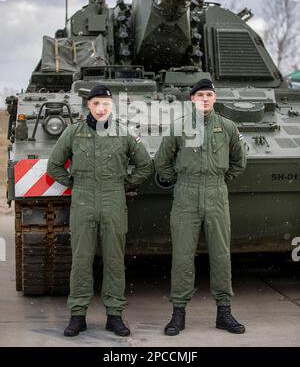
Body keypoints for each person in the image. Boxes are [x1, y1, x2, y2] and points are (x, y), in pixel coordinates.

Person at [47, 84, 152, 337]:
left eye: (105, 103)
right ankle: (77, 315)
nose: (101, 108)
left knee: (114, 261)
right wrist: (75, 183)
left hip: (113, 200)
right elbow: (54, 167)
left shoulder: (124, 134)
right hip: (83, 200)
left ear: (111, 106)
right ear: (88, 106)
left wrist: (123, 184)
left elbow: (145, 165)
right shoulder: (74, 133)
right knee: (81, 260)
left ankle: (114, 316)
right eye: (96, 103)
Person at [154, 78, 247, 335]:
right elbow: (162, 162)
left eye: (209, 95)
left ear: (214, 99)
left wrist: (219, 180)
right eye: (200, 95)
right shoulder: (178, 128)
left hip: (216, 193)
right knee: (183, 257)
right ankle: (178, 314)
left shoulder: (227, 127)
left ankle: (224, 312)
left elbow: (239, 161)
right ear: (192, 99)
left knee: (221, 255)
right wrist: (182, 180)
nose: (205, 99)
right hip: (186, 195)